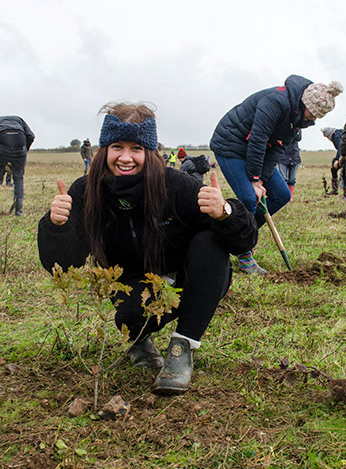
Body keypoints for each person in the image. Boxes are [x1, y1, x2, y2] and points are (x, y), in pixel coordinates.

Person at [38, 102, 257, 395]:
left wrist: (225, 213)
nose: (126, 158)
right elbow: (62, 265)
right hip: (131, 288)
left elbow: (244, 241)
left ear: (150, 152)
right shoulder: (85, 192)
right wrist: (57, 225)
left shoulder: (178, 186)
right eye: (117, 146)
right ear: (104, 149)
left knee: (212, 241)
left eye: (136, 148)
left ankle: (182, 348)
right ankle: (140, 342)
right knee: (130, 317)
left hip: (182, 281)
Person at [210, 75, 343, 273]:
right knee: (248, 198)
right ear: (306, 102)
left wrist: (262, 178)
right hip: (231, 144)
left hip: (256, 151)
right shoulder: (275, 102)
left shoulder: (297, 119)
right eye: (314, 113)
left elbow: (277, 149)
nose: (314, 119)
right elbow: (258, 139)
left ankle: (241, 235)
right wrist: (254, 180)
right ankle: (244, 253)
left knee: (282, 194)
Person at [0, 115, 35, 216]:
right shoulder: (19, 120)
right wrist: (24, 150)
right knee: (18, 178)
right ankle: (19, 211)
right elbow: (30, 136)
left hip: (2, 142)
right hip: (20, 144)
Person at [320, 127, 346, 198]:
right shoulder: (340, 133)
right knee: (337, 170)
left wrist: (337, 160)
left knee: (343, 172)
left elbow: (340, 147)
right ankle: (339, 191)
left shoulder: (336, 136)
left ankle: (344, 194)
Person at [277, 132, 301, 200]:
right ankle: (284, 197)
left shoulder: (298, 127)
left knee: (292, 179)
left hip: (294, 156)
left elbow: (299, 137)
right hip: (282, 156)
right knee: (283, 178)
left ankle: (290, 197)